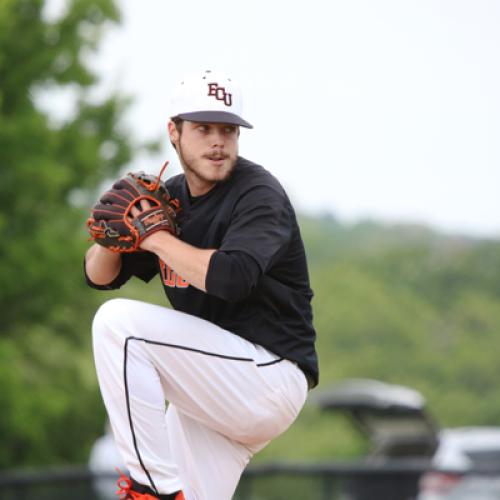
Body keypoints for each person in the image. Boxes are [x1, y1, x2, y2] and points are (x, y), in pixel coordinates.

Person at [84, 70, 319, 500]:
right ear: (174, 132)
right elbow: (100, 277)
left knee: (120, 325)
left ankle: (149, 489)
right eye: (203, 128)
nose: (218, 140)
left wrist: (153, 237)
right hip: (211, 392)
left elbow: (231, 278)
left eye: (228, 130)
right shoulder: (171, 198)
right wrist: (108, 237)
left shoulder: (259, 194)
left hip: (266, 376)